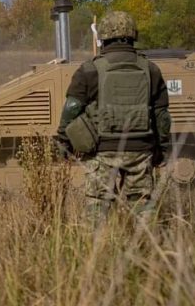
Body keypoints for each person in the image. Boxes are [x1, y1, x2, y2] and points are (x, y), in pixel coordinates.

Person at [56, 11, 171, 220]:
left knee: (97, 208)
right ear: (132, 35)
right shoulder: (151, 69)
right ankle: (149, 248)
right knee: (142, 206)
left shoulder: (89, 69)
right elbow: (162, 116)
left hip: (102, 151)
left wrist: (63, 139)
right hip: (141, 150)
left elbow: (72, 108)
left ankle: (95, 251)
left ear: (103, 36)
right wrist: (162, 149)